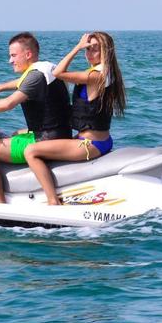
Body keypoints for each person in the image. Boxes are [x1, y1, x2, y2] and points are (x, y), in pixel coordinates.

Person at [0, 32, 72, 203]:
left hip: (46, 139)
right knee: (14, 134)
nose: (10, 61)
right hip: (58, 131)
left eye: (13, 55)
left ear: (28, 54)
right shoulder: (46, 68)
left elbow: (8, 104)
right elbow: (21, 82)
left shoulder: (35, 77)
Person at [23, 31, 127, 205]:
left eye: (94, 49)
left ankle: (52, 201)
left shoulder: (95, 76)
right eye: (87, 49)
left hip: (90, 145)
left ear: (106, 52)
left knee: (31, 151)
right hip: (98, 140)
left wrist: (77, 47)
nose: (89, 54)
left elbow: (57, 72)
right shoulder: (106, 74)